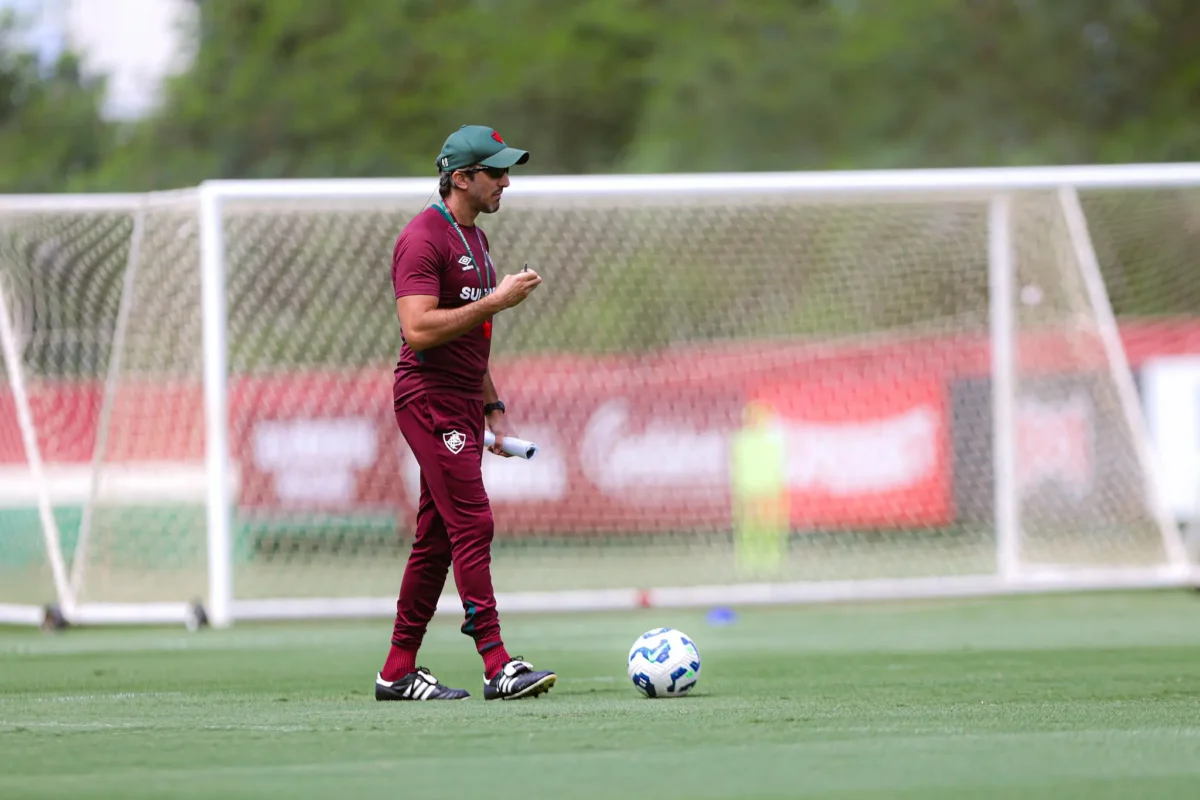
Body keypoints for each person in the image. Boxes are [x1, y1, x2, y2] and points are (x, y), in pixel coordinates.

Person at [375, 125, 555, 701]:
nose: (507, 182)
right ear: (461, 179)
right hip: (426, 399)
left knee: (437, 539)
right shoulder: (423, 237)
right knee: (472, 521)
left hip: (459, 402)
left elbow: (470, 341)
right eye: (496, 173)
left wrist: (494, 411)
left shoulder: (474, 239)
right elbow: (419, 329)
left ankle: (397, 671)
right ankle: (497, 663)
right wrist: (497, 300)